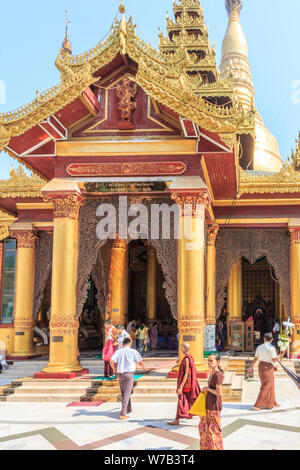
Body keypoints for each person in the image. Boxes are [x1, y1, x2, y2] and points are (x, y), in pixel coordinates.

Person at [110, 337, 147, 420]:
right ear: (130, 343)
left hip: (120, 374)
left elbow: (111, 361)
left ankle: (128, 409)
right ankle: (123, 413)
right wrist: (144, 367)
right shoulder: (133, 351)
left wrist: (114, 369)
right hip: (129, 374)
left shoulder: (118, 351)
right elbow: (140, 361)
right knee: (127, 393)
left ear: (123, 344)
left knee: (124, 392)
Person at [248, 332, 284, 411]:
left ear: (264, 339)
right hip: (268, 367)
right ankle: (257, 405)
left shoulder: (260, 347)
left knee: (271, 384)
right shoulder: (271, 348)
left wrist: (251, 368)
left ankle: (273, 402)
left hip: (261, 366)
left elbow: (255, 358)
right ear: (272, 340)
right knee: (266, 385)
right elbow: (274, 359)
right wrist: (281, 355)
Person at [168, 343, 201, 426]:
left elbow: (186, 373)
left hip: (187, 385)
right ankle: (177, 420)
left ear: (183, 349)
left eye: (181, 348)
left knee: (189, 401)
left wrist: (181, 386)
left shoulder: (186, 359)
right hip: (189, 383)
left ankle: (202, 418)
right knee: (182, 400)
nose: (180, 350)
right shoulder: (190, 357)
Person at [199, 354, 224, 451]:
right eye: (208, 361)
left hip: (214, 406)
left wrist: (207, 389)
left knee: (215, 431)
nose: (209, 363)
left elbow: (219, 392)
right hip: (209, 405)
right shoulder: (212, 373)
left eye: (211, 361)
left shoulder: (218, 375)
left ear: (217, 362)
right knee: (206, 430)